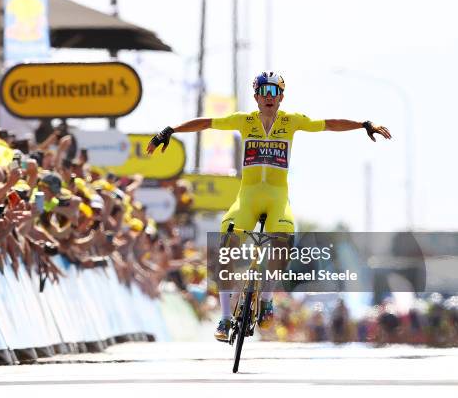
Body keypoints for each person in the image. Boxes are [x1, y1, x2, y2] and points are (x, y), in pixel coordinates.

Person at [147, 71, 392, 342]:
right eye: (264, 92)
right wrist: (170, 130)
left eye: (274, 92)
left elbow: (329, 124)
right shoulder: (244, 120)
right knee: (226, 246)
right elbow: (207, 123)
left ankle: (265, 299)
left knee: (283, 240)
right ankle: (226, 317)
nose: (269, 97)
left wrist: (363, 124)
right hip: (247, 198)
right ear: (256, 96)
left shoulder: (291, 121)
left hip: (277, 199)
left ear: (281, 97)